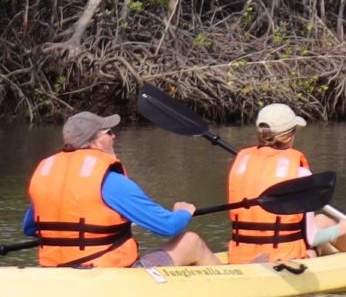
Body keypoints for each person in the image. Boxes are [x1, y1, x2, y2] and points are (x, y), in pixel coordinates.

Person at [24, 111, 211, 269]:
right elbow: (167, 226)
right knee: (192, 242)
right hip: (105, 274)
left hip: (54, 271)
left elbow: (30, 228)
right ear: (96, 143)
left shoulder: (47, 176)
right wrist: (183, 212)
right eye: (109, 132)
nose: (114, 136)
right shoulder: (110, 180)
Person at [222, 102, 346, 264]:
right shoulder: (300, 174)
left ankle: (341, 256)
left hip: (242, 256)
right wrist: (342, 228)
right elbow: (311, 238)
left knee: (321, 221)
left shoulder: (241, 166)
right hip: (283, 258)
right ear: (290, 136)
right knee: (324, 225)